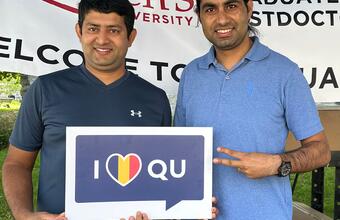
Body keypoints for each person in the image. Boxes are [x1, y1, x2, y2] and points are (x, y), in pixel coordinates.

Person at [2, 0, 171, 219]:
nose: (102, 39)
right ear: (79, 31)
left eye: (114, 30)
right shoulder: (45, 89)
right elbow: (17, 163)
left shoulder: (155, 99)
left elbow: (162, 174)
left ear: (130, 37)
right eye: (93, 29)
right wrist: (24, 215)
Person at [174, 0, 331, 219]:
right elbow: (180, 154)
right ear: (199, 16)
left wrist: (277, 164)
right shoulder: (191, 74)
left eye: (231, 6)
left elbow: (321, 151)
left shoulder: (284, 72)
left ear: (249, 8)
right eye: (210, 9)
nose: (221, 19)